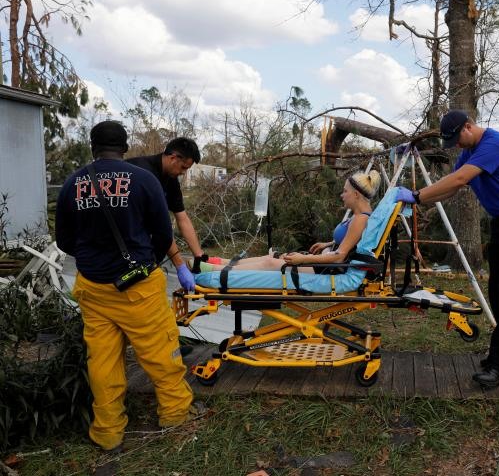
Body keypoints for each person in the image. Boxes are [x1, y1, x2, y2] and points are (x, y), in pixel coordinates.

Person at [55, 121, 198, 452]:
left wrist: (95, 258)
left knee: (102, 361)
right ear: (125, 146)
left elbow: (64, 240)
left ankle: (107, 432)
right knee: (161, 352)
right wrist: (141, 257)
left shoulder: (72, 183)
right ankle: (176, 413)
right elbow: (164, 235)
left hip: (92, 286)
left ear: (93, 147)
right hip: (138, 287)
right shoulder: (143, 179)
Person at [396, 109, 499, 388]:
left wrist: (416, 195)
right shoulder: (468, 154)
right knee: (498, 293)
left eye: (457, 139)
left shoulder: (495, 143)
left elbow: (459, 180)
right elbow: (450, 189)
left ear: (468, 126)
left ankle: (498, 367)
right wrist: (417, 202)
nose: (456, 146)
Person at [194, 170, 382, 273]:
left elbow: (340, 256)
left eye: (345, 191)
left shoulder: (359, 219)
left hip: (329, 269)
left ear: (356, 194)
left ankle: (215, 271)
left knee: (271, 264)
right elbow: (350, 244)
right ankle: (218, 262)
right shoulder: (359, 217)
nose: (342, 195)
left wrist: (303, 259)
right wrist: (329, 243)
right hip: (326, 263)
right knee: (272, 258)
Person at [126, 138, 203, 292]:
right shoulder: (141, 173)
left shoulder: (170, 178)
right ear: (173, 158)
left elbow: (182, 218)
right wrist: (180, 266)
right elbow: (160, 228)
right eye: (183, 168)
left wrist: (200, 257)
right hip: (128, 253)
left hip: (147, 256)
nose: (183, 173)